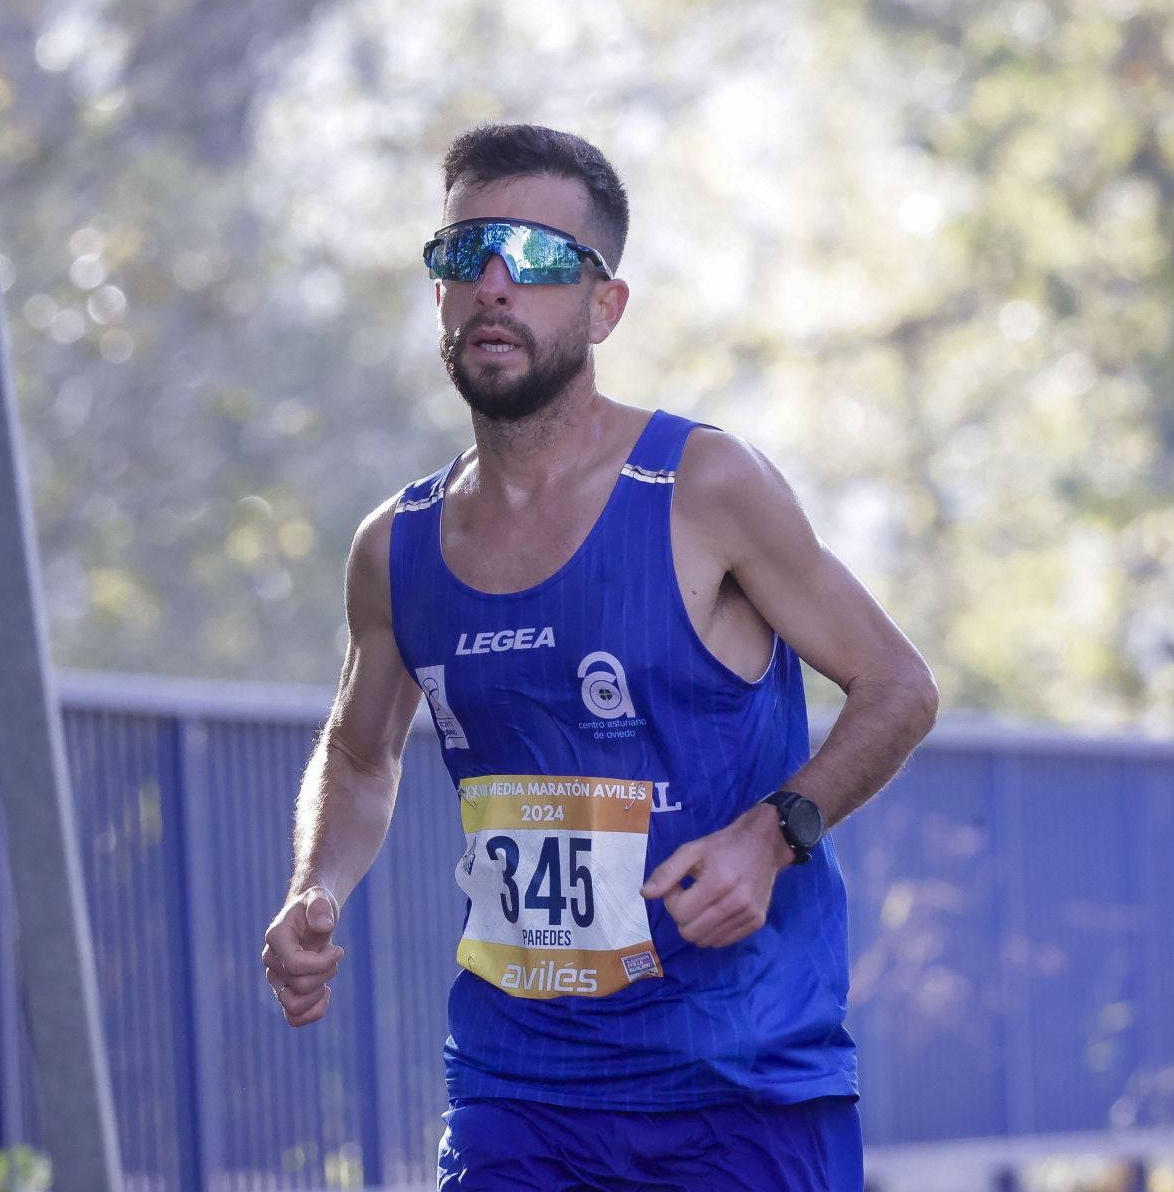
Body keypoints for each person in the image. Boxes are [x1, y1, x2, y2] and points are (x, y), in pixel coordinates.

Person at [258, 123, 940, 1191]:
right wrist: (316, 890)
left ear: (603, 304)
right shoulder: (396, 544)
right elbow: (358, 754)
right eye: (464, 253)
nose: (494, 283)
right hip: (516, 1088)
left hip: (738, 1083)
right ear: (437, 291)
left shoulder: (705, 486)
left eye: (533, 259)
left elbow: (899, 686)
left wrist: (772, 836)